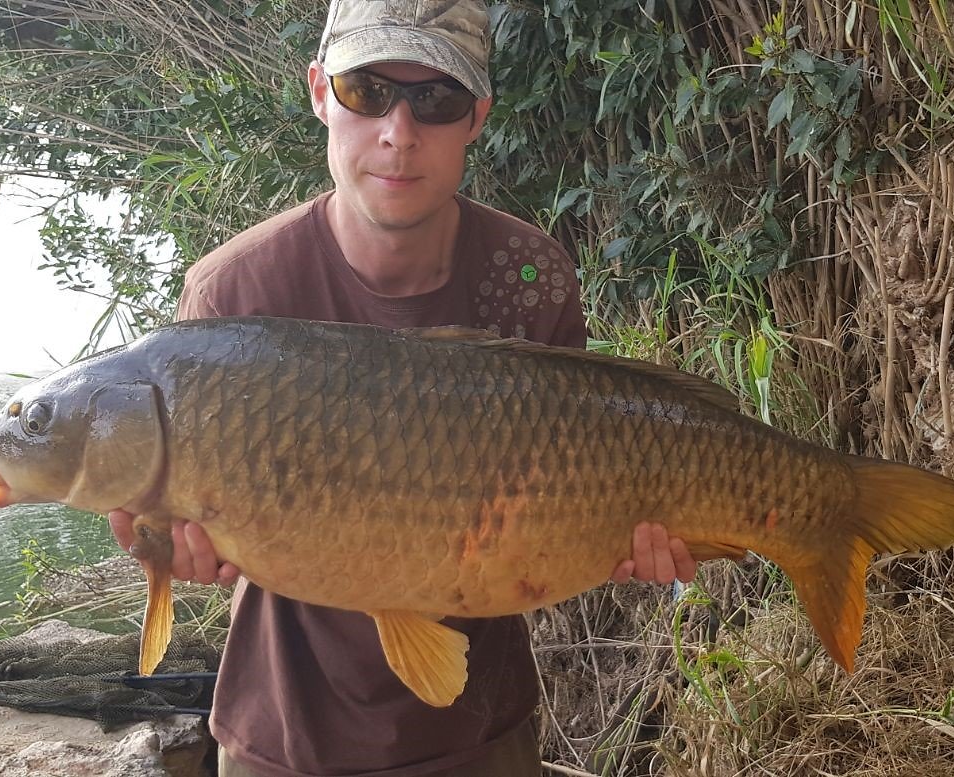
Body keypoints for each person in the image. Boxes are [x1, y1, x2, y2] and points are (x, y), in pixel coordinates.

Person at [109, 1, 697, 774]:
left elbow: (558, 503)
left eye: (436, 98)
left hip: (482, 729)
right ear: (320, 90)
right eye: (367, 91)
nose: (398, 131)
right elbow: (190, 518)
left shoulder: (527, 275)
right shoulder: (232, 294)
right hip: (284, 734)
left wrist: (621, 535)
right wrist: (172, 546)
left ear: (477, 116)